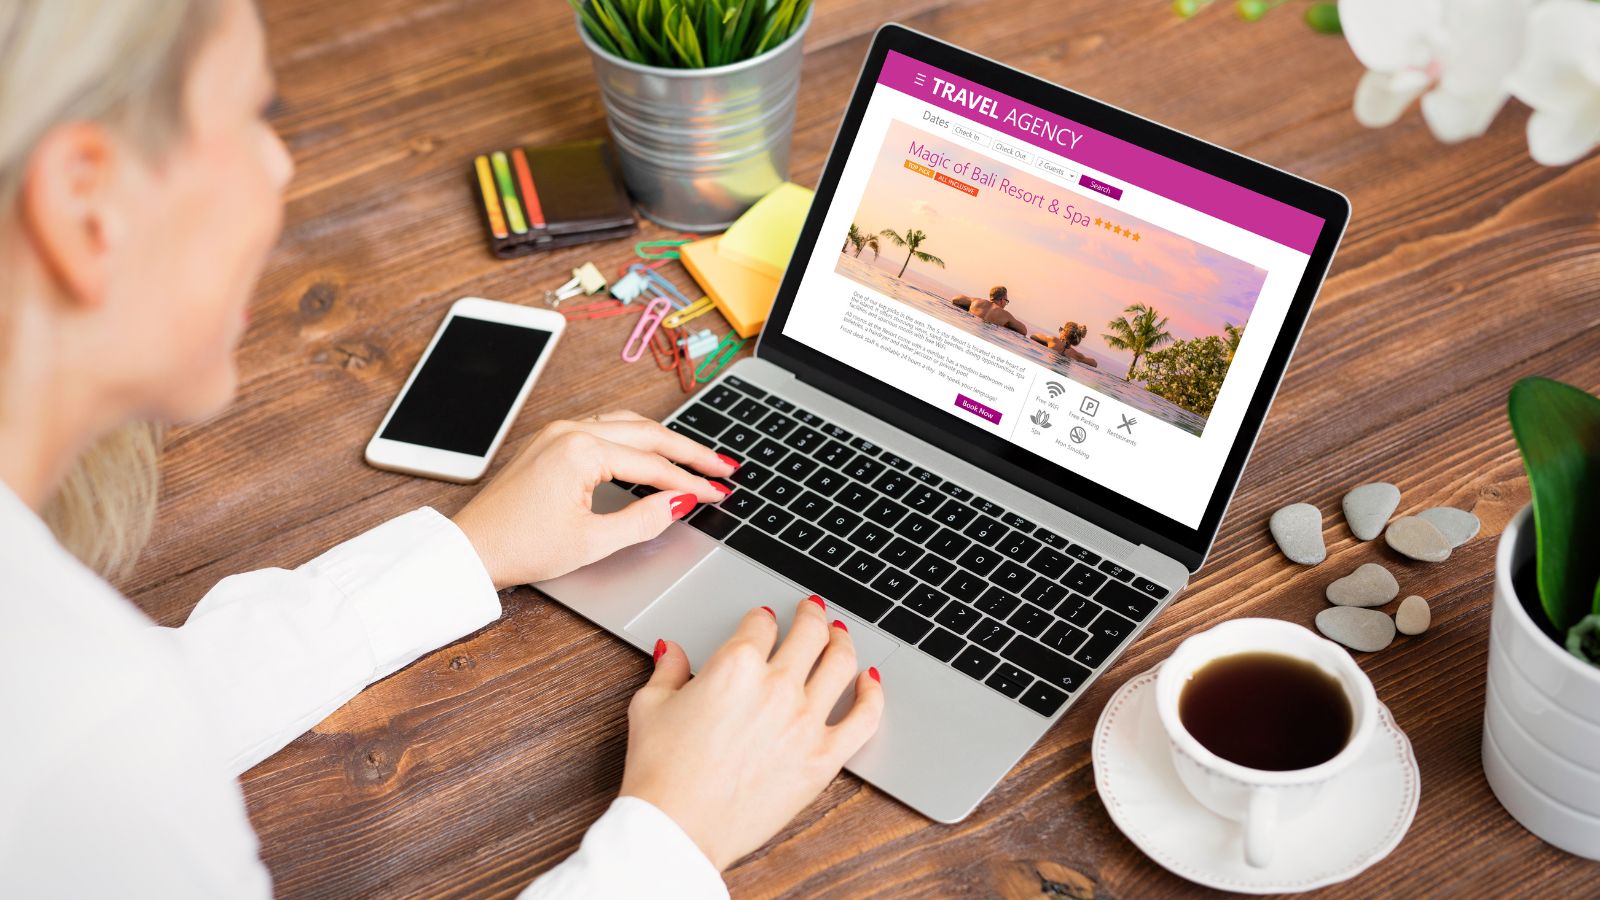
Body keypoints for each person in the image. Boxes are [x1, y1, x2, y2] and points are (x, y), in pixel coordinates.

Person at [0, 1, 883, 897]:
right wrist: (674, 835)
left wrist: (467, 551)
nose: (281, 166)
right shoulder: (88, 764)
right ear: (84, 205)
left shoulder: (63, 682)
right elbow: (96, 746)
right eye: (250, 119)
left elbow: (148, 704)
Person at [951, 285, 1027, 335]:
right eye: (1006, 301)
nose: (1005, 304)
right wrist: (1006, 324)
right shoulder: (1006, 315)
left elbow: (955, 299)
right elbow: (1024, 331)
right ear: (1001, 300)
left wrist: (970, 307)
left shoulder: (976, 301)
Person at [1030, 321, 1099, 367]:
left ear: (1064, 333)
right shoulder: (1077, 355)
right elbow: (1094, 363)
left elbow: (1033, 336)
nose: (1060, 331)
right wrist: (1081, 358)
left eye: (1061, 329)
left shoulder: (1053, 340)